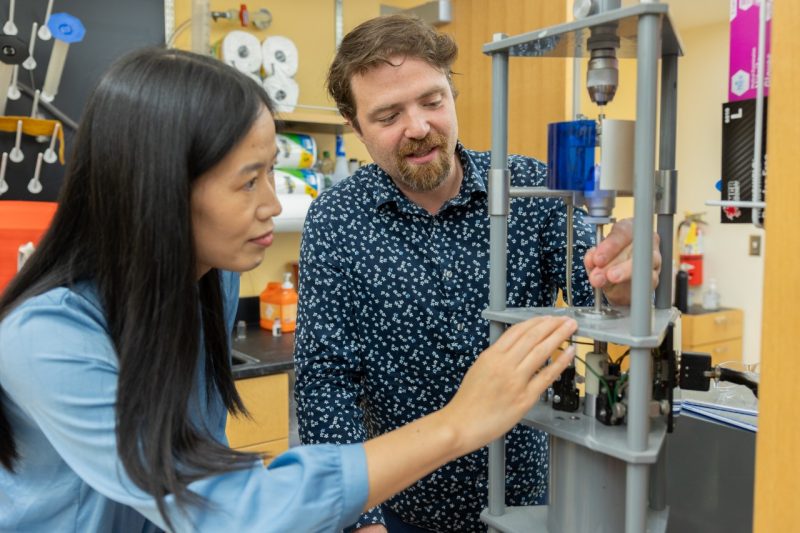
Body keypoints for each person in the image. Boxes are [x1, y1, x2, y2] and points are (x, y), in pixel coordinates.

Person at [0, 47, 579, 532]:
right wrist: (459, 423)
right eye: (249, 180)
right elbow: (219, 507)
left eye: (271, 171)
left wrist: (622, 276)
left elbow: (206, 478)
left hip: (522, 492)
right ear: (161, 190)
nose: (275, 206)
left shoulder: (209, 280)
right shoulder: (45, 339)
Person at [294, 14, 661, 533]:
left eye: (431, 100)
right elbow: (324, 383)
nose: (418, 127)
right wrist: (360, 521)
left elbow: (598, 288)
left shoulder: (530, 187)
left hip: (529, 505)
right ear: (355, 128)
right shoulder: (336, 219)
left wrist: (627, 275)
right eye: (388, 114)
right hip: (401, 510)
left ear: (452, 93)